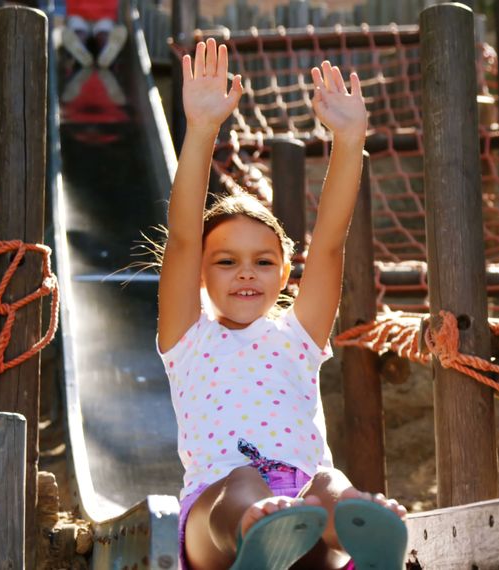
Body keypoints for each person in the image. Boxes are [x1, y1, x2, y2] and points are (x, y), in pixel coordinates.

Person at [158, 38, 407, 570]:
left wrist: (349, 138)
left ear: (285, 272)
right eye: (225, 262)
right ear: (200, 273)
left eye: (263, 262)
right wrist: (201, 130)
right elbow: (180, 239)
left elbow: (332, 241)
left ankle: (358, 529)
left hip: (308, 522)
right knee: (244, 484)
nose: (246, 272)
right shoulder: (187, 337)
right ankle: (260, 532)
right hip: (218, 520)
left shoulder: (298, 337)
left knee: (329, 484)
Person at [62, 0, 127, 68]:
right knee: (103, 33)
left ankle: (79, 46)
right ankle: (106, 48)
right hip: (104, 14)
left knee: (79, 31)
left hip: (78, 13)